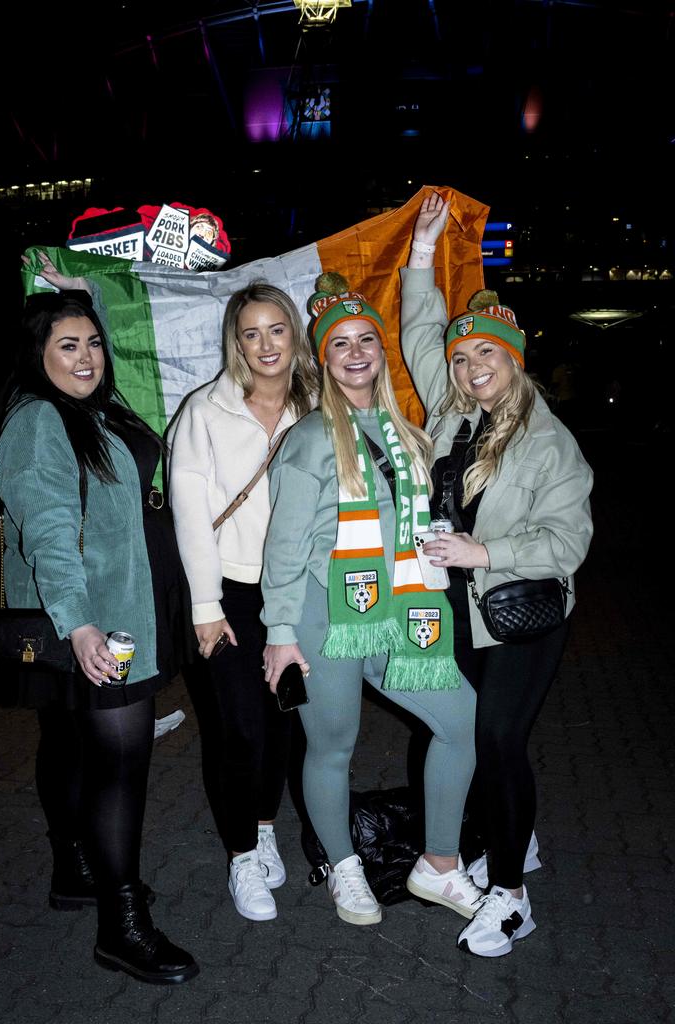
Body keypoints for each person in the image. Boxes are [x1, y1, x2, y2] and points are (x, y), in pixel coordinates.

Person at [401, 192, 593, 956]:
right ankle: (523, 839)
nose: (471, 366)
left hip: (520, 611)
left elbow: (568, 540)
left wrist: (486, 554)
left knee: (498, 737)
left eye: (486, 354)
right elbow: (419, 326)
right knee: (471, 734)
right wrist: (421, 249)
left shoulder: (549, 443)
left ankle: (511, 897)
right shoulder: (452, 413)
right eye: (461, 357)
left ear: (513, 359)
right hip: (454, 608)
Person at [261, 272, 481, 927]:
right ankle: (344, 867)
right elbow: (285, 549)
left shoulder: (406, 432)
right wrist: (279, 633)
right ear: (321, 360)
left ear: (381, 353)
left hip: (394, 615)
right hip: (323, 618)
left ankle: (438, 864)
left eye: (367, 341)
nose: (356, 352)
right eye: (340, 344)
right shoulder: (306, 441)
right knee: (332, 747)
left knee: (462, 720)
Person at [0, 291, 198, 985]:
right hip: (95, 620)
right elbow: (47, 526)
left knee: (70, 744)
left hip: (119, 607)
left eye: (94, 343)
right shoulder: (38, 421)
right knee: (119, 765)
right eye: (68, 346)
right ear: (37, 356)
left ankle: (75, 868)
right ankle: (122, 923)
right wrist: (78, 624)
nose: (88, 357)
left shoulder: (93, 407)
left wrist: (73, 282)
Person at [168, 281, 319, 921]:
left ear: (294, 334)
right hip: (227, 593)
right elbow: (189, 514)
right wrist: (206, 606)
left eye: (276, 329)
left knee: (283, 722)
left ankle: (263, 826)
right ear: (235, 340)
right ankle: (240, 856)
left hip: (300, 590)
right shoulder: (205, 409)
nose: (264, 344)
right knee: (239, 731)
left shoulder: (319, 404)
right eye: (250, 332)